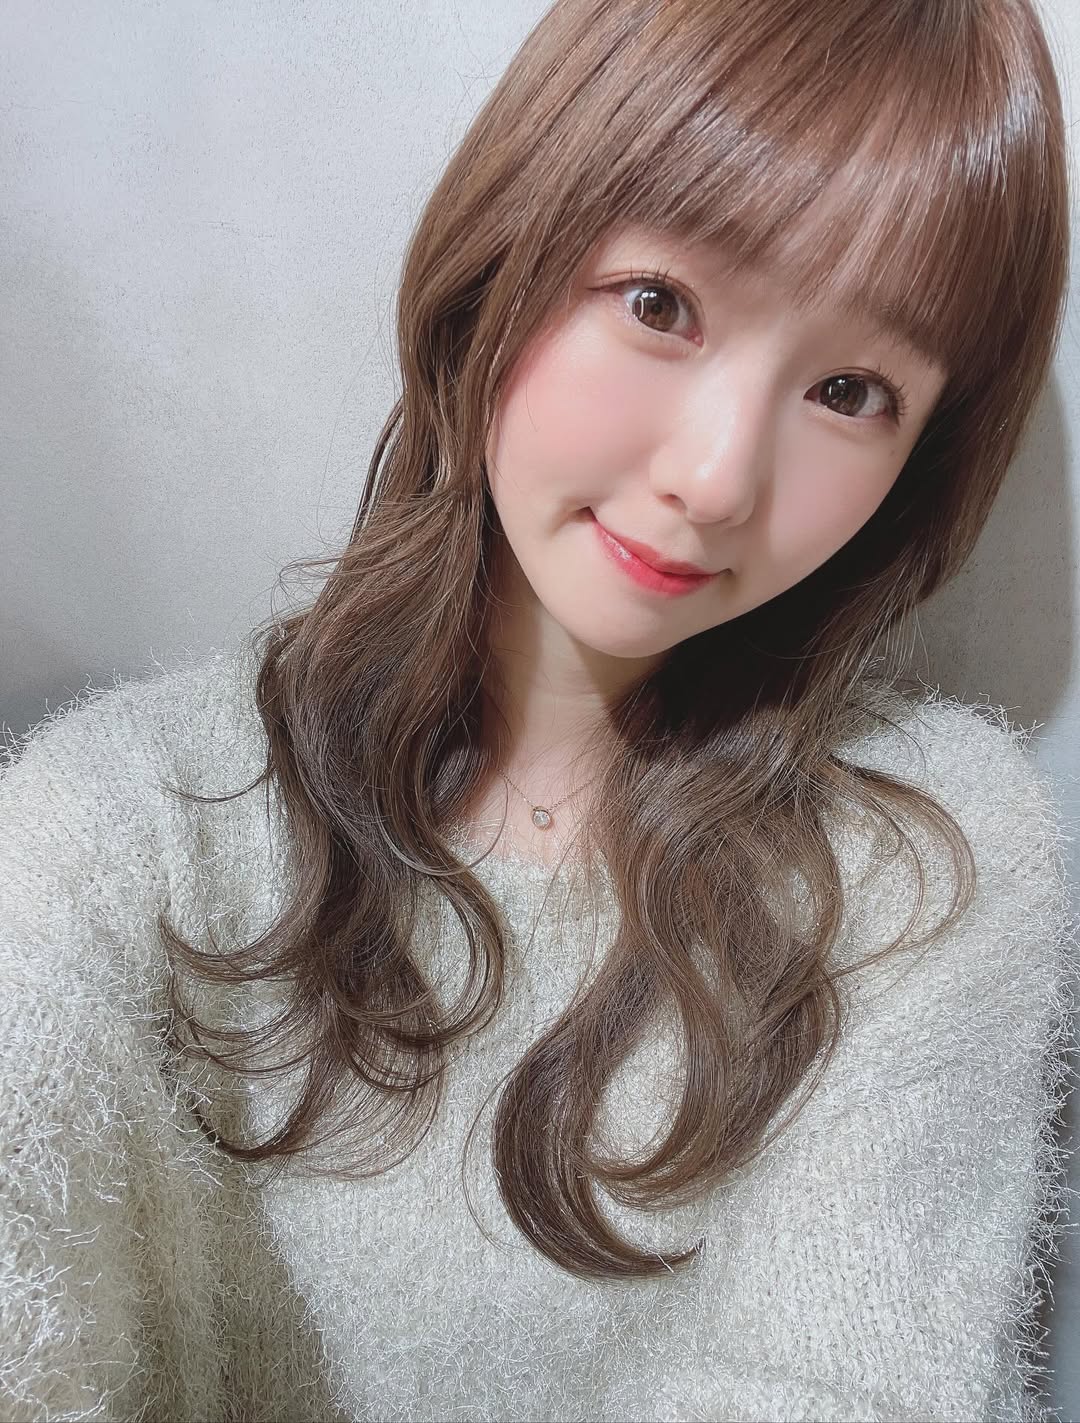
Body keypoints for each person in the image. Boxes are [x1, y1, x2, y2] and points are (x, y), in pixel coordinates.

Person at [1, 0, 1076, 1419]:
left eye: (849, 389)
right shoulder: (119, 829)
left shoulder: (924, 872)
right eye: (660, 304)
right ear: (507, 249)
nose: (716, 478)